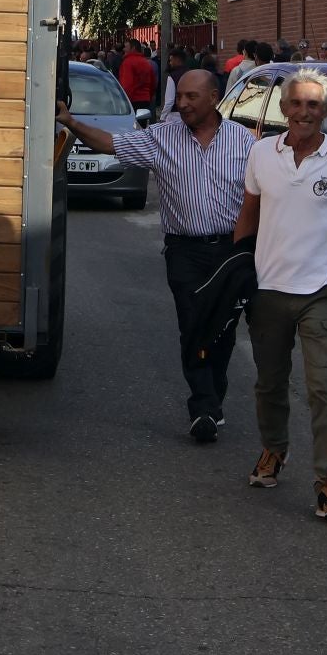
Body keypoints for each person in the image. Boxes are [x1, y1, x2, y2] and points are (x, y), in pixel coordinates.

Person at [58, 70, 252, 442]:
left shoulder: (245, 142)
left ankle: (213, 396)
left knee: (223, 330)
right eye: (179, 96)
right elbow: (110, 143)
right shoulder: (162, 137)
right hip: (185, 251)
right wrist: (71, 122)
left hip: (230, 250)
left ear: (214, 97)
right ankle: (204, 407)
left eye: (192, 97)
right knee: (193, 324)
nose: (182, 104)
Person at [233, 68, 327, 521]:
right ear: (283, 109)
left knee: (324, 388)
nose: (304, 112)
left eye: (313, 105)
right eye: (296, 104)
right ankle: (274, 450)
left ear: (326, 112)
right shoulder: (261, 153)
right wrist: (236, 274)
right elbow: (248, 215)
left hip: (322, 292)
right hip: (268, 290)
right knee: (269, 382)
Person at [118, 41, 157, 117]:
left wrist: (123, 102)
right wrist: (149, 96)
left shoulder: (128, 62)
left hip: (132, 101)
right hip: (145, 100)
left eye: (126, 47)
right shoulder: (146, 62)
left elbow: (127, 85)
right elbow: (152, 83)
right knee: (142, 126)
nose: (123, 49)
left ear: (133, 48)